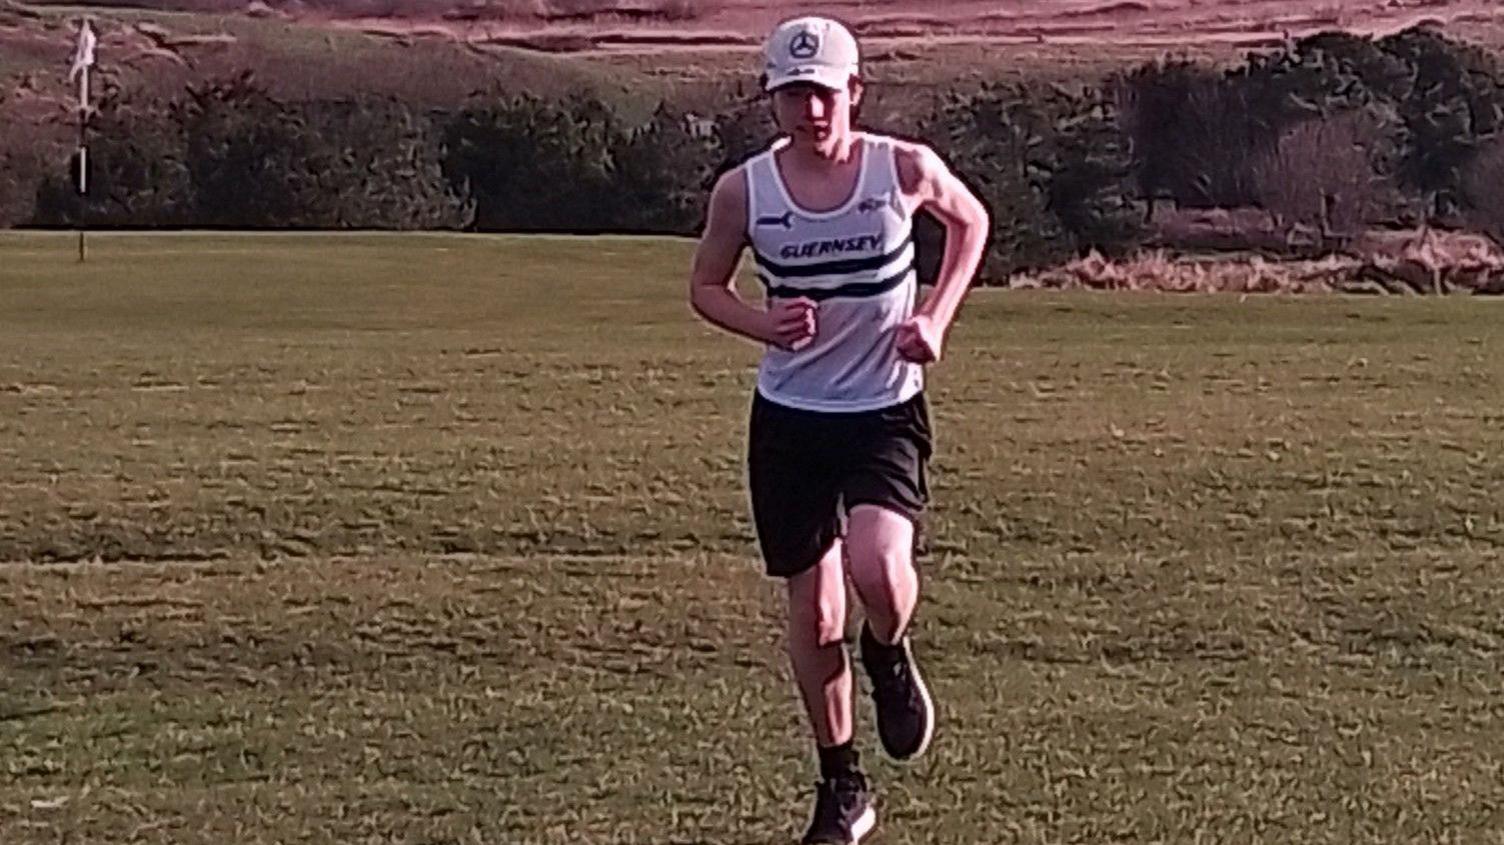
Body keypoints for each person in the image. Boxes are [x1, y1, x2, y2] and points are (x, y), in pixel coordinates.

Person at [687, 14, 990, 845]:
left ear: (854, 93)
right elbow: (705, 287)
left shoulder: (903, 169)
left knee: (878, 568)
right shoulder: (745, 191)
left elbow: (972, 225)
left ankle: (889, 651)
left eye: (824, 93)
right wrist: (764, 323)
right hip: (789, 420)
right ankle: (843, 785)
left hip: (883, 410)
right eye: (793, 94)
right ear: (773, 100)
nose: (811, 110)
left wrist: (935, 316)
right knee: (814, 615)